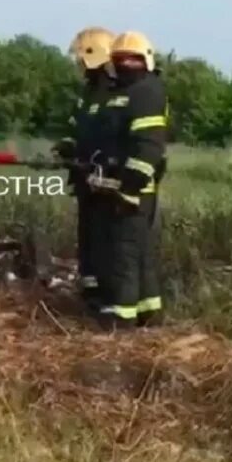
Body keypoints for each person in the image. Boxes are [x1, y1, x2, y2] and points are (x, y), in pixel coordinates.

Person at [88, 30, 168, 330]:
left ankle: (121, 318)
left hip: (134, 189)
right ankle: (150, 311)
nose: (126, 64)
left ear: (146, 61)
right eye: (120, 59)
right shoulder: (122, 92)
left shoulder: (146, 92)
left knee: (123, 254)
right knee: (139, 253)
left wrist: (130, 187)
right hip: (117, 184)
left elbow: (149, 146)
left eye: (132, 59)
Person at [52, 27, 116, 307]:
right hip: (84, 178)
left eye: (82, 58)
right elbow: (75, 128)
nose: (80, 65)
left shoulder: (115, 92)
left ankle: (105, 292)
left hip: (104, 181)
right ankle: (89, 289)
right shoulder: (88, 92)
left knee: (105, 237)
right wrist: (65, 147)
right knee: (87, 235)